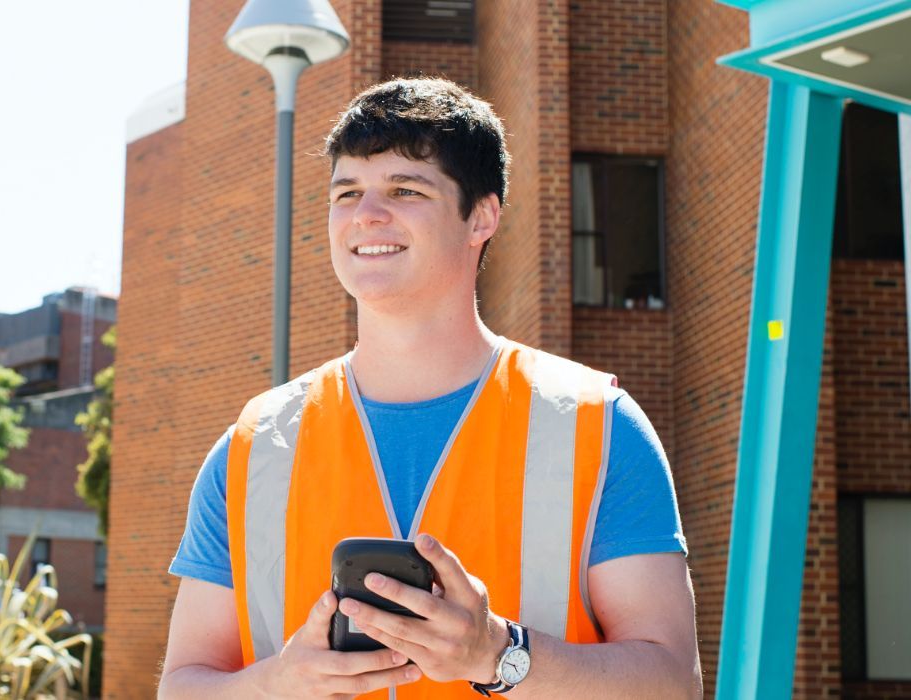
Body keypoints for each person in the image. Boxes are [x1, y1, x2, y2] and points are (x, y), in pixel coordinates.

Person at [158, 78, 701, 699]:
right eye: (347, 192)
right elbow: (183, 686)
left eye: (405, 189)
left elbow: (670, 685)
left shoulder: (598, 426)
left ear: (482, 216)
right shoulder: (252, 447)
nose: (366, 214)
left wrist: (498, 655)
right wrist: (280, 683)